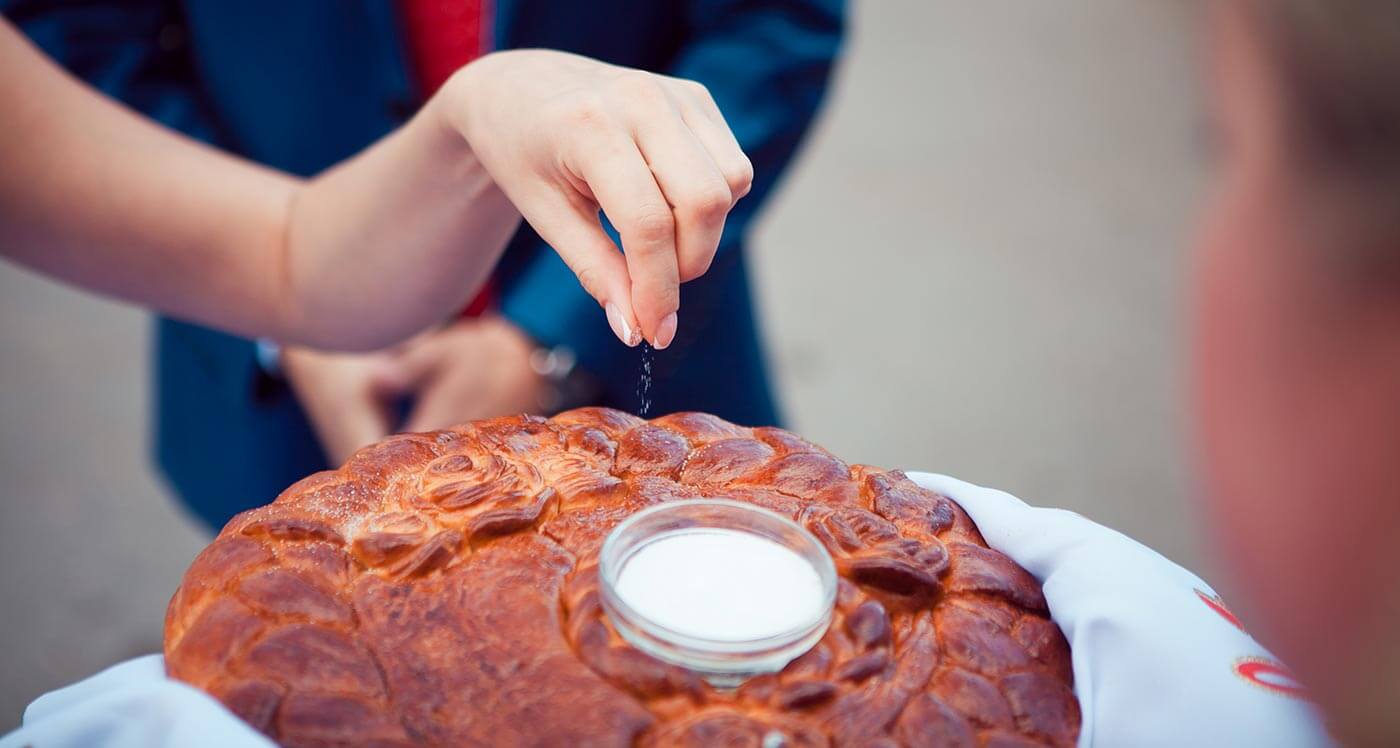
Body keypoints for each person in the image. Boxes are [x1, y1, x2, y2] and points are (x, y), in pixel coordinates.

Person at [1, 0, 846, 530]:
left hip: (632, 385)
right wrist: (289, 325)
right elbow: (77, 40)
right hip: (301, 405)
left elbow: (773, 23)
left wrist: (547, 334)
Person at [0, 20, 752, 366]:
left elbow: (288, 257)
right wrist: (291, 344)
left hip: (606, 359)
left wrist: (480, 103)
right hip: (298, 416)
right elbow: (90, 40)